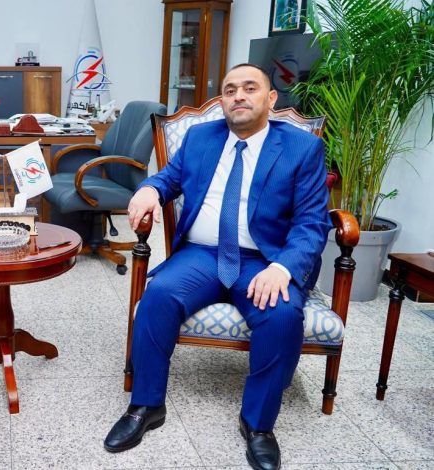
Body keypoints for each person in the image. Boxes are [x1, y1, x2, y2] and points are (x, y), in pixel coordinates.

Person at [102, 64, 331, 470]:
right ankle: (146, 405)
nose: (238, 96)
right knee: (158, 296)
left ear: (270, 99)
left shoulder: (301, 147)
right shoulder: (200, 138)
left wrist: (283, 269)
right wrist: (149, 190)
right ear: (222, 100)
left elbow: (312, 223)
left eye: (250, 88)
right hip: (202, 255)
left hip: (264, 259)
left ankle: (258, 425)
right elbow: (168, 179)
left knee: (281, 314)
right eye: (230, 90)